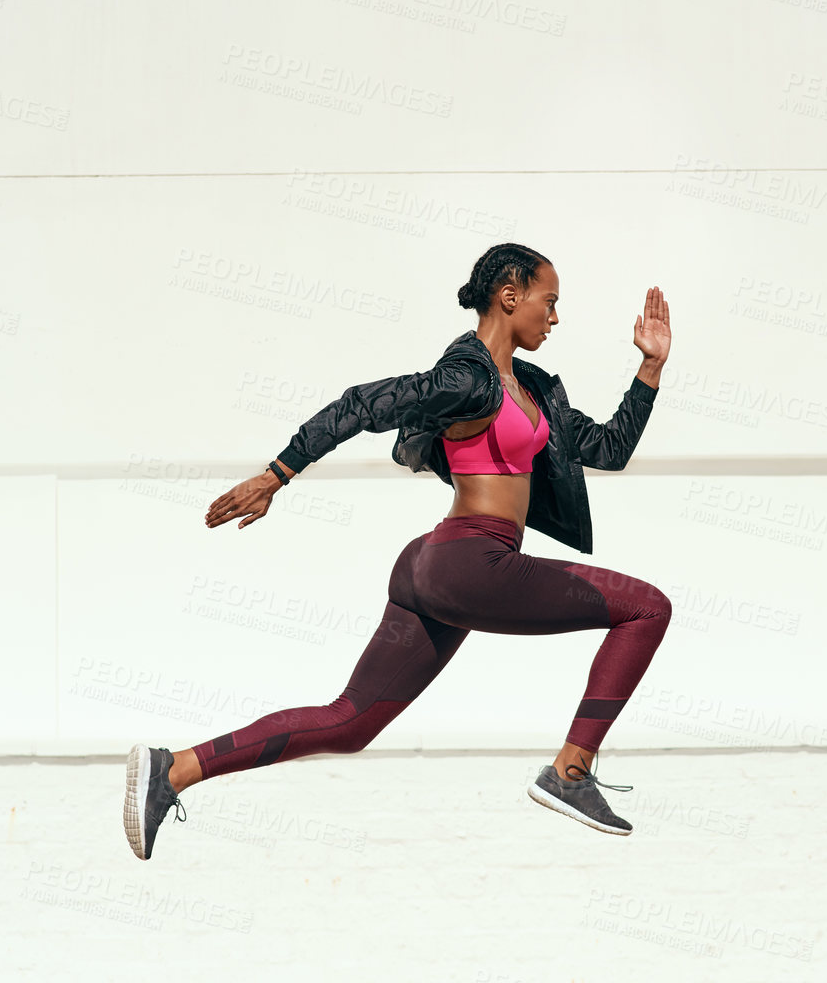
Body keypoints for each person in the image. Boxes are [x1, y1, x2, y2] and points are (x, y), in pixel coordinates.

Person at [124, 243, 673, 860]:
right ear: (509, 294)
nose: (554, 318)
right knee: (647, 608)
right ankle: (570, 773)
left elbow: (608, 449)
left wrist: (649, 368)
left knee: (350, 723)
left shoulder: (535, 390)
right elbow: (361, 404)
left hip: (434, 566)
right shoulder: (466, 376)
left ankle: (172, 769)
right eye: (549, 302)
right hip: (472, 563)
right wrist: (277, 475)